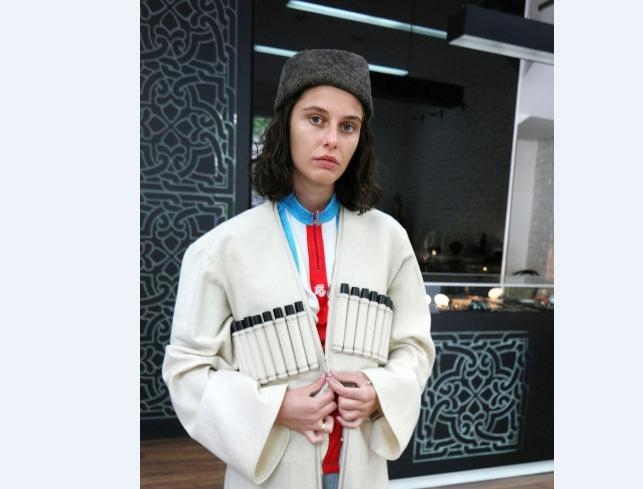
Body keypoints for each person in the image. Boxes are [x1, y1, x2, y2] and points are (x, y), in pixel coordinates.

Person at [163, 49, 435, 489]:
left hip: (361, 468)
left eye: (347, 126)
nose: (331, 140)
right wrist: (273, 408)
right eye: (315, 119)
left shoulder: (390, 241)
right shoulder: (221, 249)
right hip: (271, 471)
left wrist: (380, 392)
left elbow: (414, 347)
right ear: (285, 125)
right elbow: (187, 370)